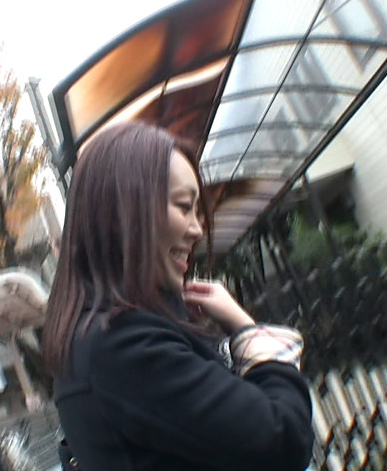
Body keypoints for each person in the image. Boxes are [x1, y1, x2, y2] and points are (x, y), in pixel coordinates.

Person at [42, 121, 313, 471]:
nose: (198, 229)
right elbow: (284, 439)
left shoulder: (99, 339)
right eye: (185, 207)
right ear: (121, 212)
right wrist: (248, 332)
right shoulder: (123, 347)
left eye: (197, 211)